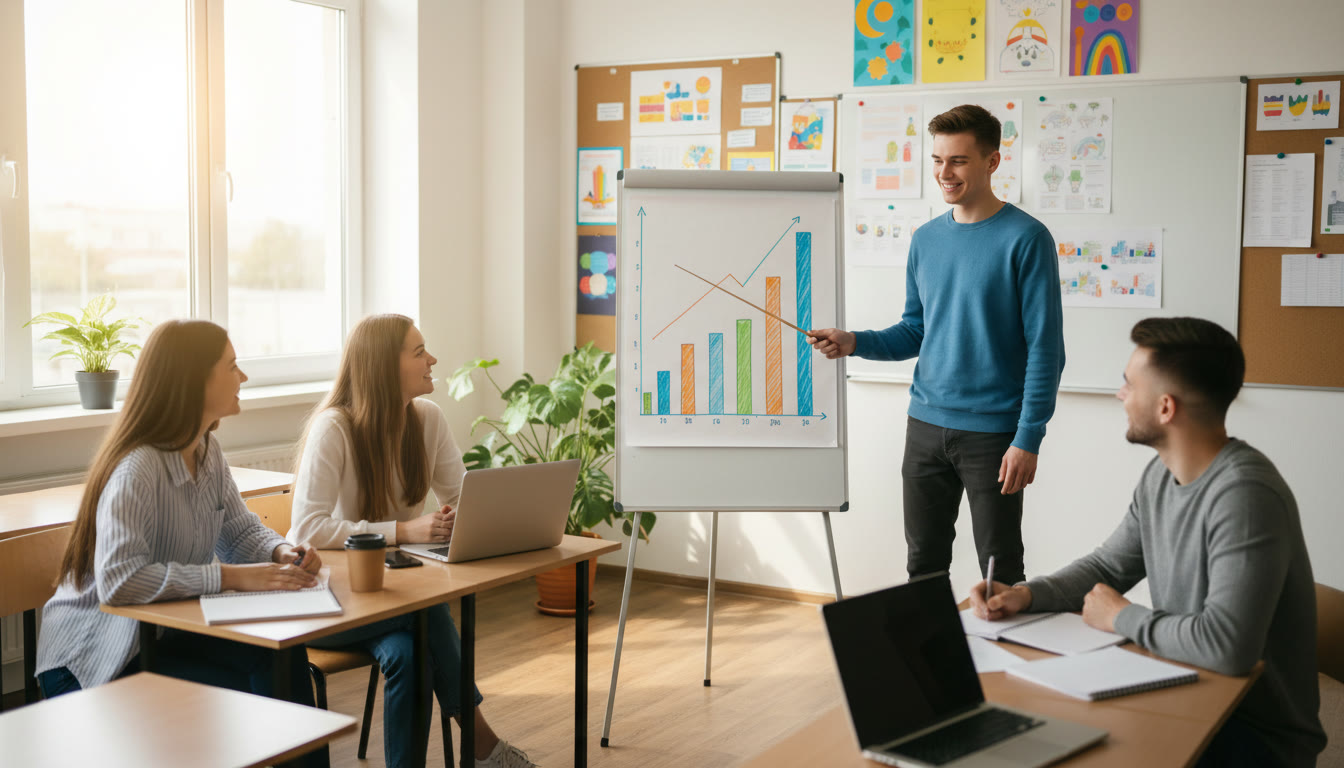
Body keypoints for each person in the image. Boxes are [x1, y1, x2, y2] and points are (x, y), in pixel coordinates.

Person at [969, 317, 1326, 768]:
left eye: (1128, 384)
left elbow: (1228, 648)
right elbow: (1108, 567)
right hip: (1188, 687)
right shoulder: (1162, 475)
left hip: (1252, 735)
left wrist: (1121, 616)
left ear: (1165, 408)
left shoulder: (1245, 496)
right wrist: (1025, 594)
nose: (1120, 395)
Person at [34, 319, 329, 768]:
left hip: (157, 637)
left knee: (282, 654)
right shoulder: (138, 470)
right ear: (195, 381)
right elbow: (119, 583)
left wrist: (281, 552)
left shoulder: (208, 453)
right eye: (232, 366)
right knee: (251, 691)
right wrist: (231, 577)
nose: (243, 377)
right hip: (91, 657)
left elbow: (239, 531)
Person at [809, 104, 1064, 586]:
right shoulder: (926, 239)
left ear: (992, 162)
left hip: (993, 434)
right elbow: (915, 330)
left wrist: (1028, 437)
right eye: (938, 160)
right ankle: (929, 662)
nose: (944, 173)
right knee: (923, 564)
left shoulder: (1027, 239)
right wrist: (853, 342)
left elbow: (1046, 351)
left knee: (1000, 567)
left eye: (959, 161)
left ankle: (1005, 662)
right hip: (925, 426)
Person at [290, 313, 536, 768]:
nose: (433, 360)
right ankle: (484, 748)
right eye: (419, 351)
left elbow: (463, 496)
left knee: (411, 651)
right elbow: (306, 529)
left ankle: (478, 752)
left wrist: (464, 517)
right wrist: (404, 531)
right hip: (337, 599)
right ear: (384, 365)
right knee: (425, 617)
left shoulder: (426, 419)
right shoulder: (334, 428)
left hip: (396, 597)